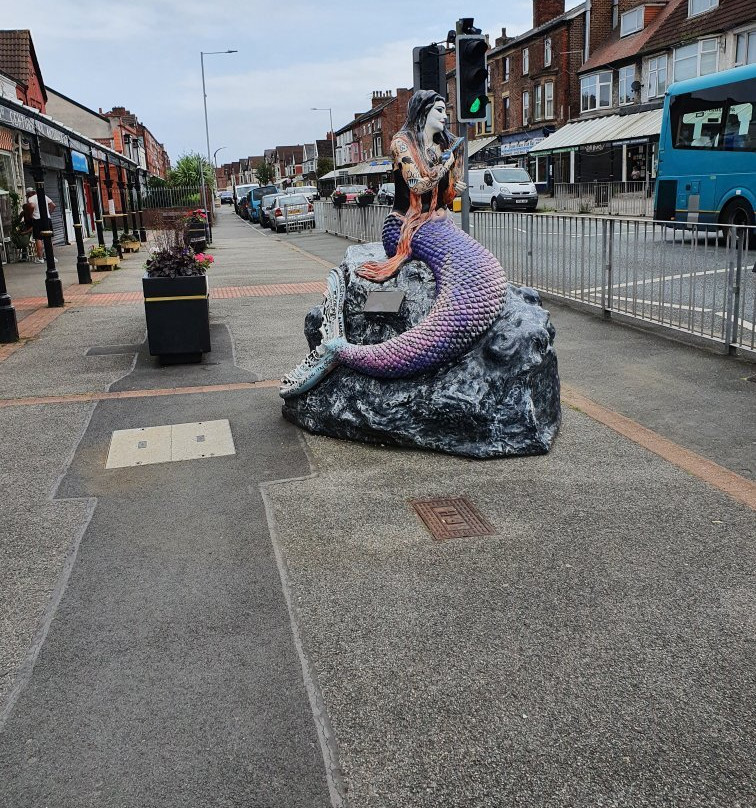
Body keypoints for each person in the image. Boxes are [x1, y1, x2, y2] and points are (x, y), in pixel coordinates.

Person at [280, 90, 508, 397]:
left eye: (446, 110)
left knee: (481, 276)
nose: (445, 115)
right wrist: (444, 165)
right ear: (423, 111)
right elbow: (417, 184)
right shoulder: (402, 143)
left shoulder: (440, 144)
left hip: (434, 222)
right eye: (439, 110)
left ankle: (340, 349)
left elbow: (446, 196)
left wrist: (453, 172)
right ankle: (339, 350)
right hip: (404, 227)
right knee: (472, 283)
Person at [26, 187, 56, 263]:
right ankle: (51, 257)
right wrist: (49, 213)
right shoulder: (44, 196)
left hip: (37, 220)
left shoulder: (31, 198)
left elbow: (32, 206)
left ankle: (40, 258)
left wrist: (31, 214)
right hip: (47, 219)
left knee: (38, 238)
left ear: (29, 194)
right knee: (49, 238)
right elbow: (53, 205)